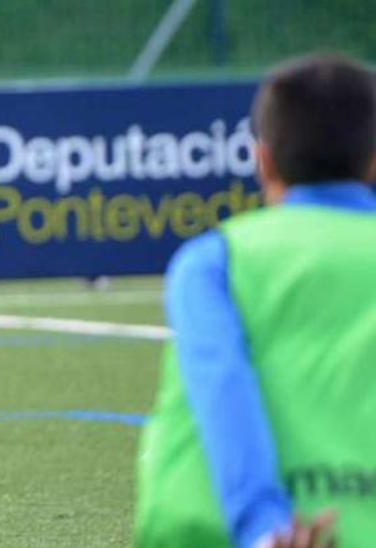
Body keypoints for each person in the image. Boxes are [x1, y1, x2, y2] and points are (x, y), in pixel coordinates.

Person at [135, 53, 376, 547]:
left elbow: (223, 385)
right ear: (374, 160)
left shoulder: (214, 261)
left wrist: (264, 527)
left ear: (261, 159)